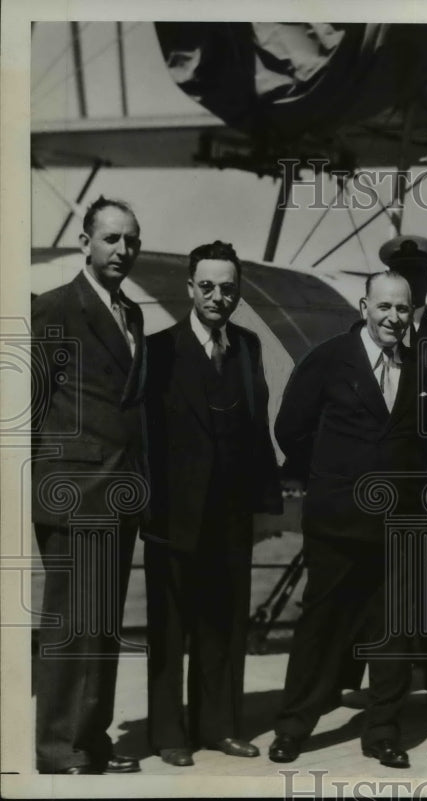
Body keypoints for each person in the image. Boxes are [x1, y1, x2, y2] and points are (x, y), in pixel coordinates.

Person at [267, 271, 422, 769]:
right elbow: (290, 426)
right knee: (320, 627)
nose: (394, 318)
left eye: (403, 309)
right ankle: (293, 728)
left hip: (399, 527)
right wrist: (335, 475)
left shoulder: (421, 367)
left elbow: (426, 440)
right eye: (385, 307)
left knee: (392, 633)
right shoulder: (329, 359)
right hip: (337, 521)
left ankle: (382, 732)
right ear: (364, 306)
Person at [142, 241, 283, 767]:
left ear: (238, 290)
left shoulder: (247, 345)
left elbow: (258, 424)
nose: (217, 296)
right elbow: (145, 436)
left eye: (227, 288)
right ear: (189, 289)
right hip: (171, 518)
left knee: (224, 625)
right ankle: (167, 733)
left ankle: (219, 726)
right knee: (170, 629)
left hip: (229, 517)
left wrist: (264, 500)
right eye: (207, 286)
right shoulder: (158, 350)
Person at [31, 197, 147, 774]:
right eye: (110, 239)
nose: (122, 250)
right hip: (74, 494)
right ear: (85, 243)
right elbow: (27, 411)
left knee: (101, 630)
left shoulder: (133, 314)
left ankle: (92, 741)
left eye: (130, 240)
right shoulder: (54, 309)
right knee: (70, 630)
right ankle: (59, 750)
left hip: (119, 494)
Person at [378, 234, 427, 714]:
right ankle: (385, 685)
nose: (412, 283)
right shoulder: (366, 333)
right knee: (384, 588)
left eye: (419, 275)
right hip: (386, 484)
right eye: (403, 275)